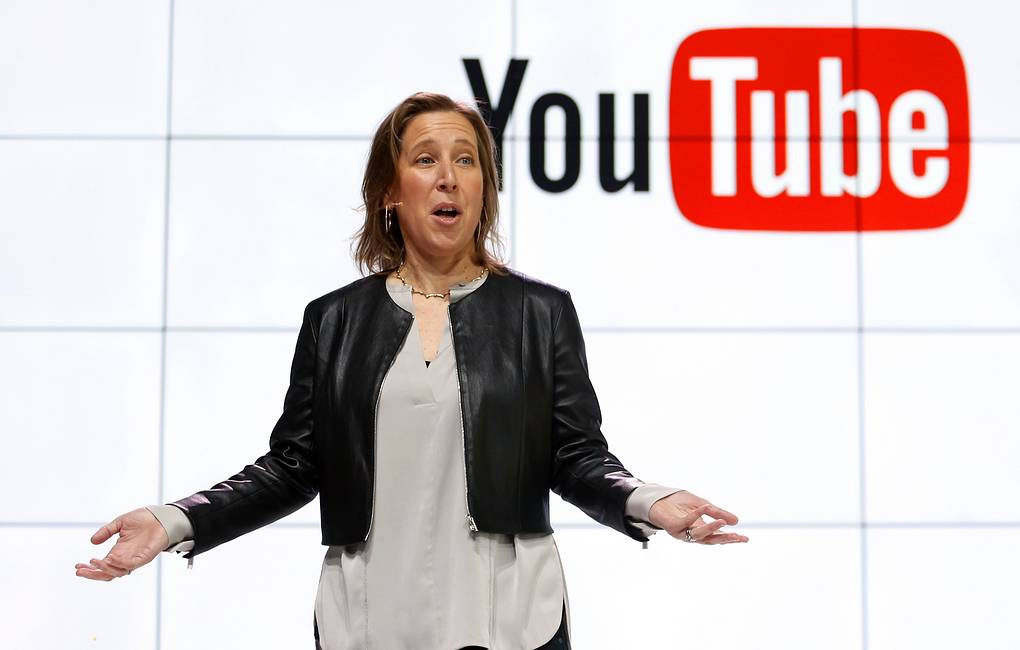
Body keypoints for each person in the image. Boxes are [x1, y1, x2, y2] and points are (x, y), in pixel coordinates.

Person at [75, 92, 749, 649]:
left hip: (510, 621)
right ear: (390, 192)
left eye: (467, 160)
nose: (448, 176)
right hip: (368, 620)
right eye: (426, 159)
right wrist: (175, 519)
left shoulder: (539, 313)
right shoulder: (334, 320)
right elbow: (292, 466)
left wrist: (649, 501)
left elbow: (575, 456)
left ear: (485, 189)